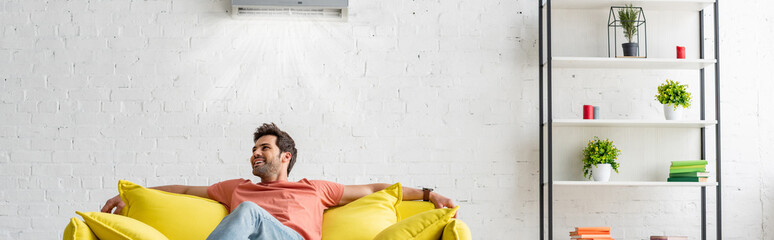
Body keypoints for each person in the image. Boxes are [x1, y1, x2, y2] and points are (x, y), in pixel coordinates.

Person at [101, 123, 456, 240]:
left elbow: (376, 190)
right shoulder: (236, 187)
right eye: (254, 149)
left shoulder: (314, 188)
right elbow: (181, 190)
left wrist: (428, 193)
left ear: (285, 156)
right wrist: (131, 197)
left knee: (250, 213)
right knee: (248, 211)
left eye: (264, 148)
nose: (256, 153)